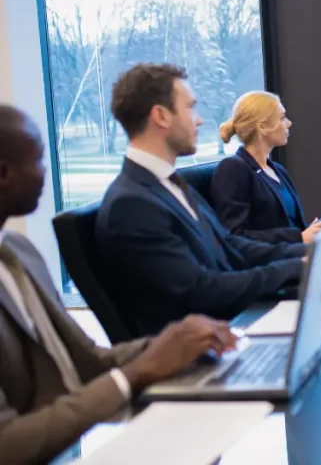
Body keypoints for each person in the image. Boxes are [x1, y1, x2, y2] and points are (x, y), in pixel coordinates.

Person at [0, 105, 239, 464]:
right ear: (3, 173)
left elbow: (86, 359)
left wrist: (171, 344)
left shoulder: (17, 250)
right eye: (37, 160)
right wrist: (135, 373)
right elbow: (7, 444)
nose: (45, 172)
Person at [96, 64, 321, 336]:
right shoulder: (131, 205)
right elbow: (203, 289)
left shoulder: (169, 185)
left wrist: (310, 253)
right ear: (161, 116)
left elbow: (231, 246)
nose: (198, 120)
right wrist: (297, 268)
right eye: (190, 108)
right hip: (201, 353)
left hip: (227, 329)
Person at [211, 91, 321, 244]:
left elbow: (297, 229)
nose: (289, 123)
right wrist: (298, 238)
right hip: (273, 265)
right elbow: (235, 237)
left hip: (294, 256)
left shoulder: (277, 170)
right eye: (282, 118)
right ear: (263, 127)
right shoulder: (232, 169)